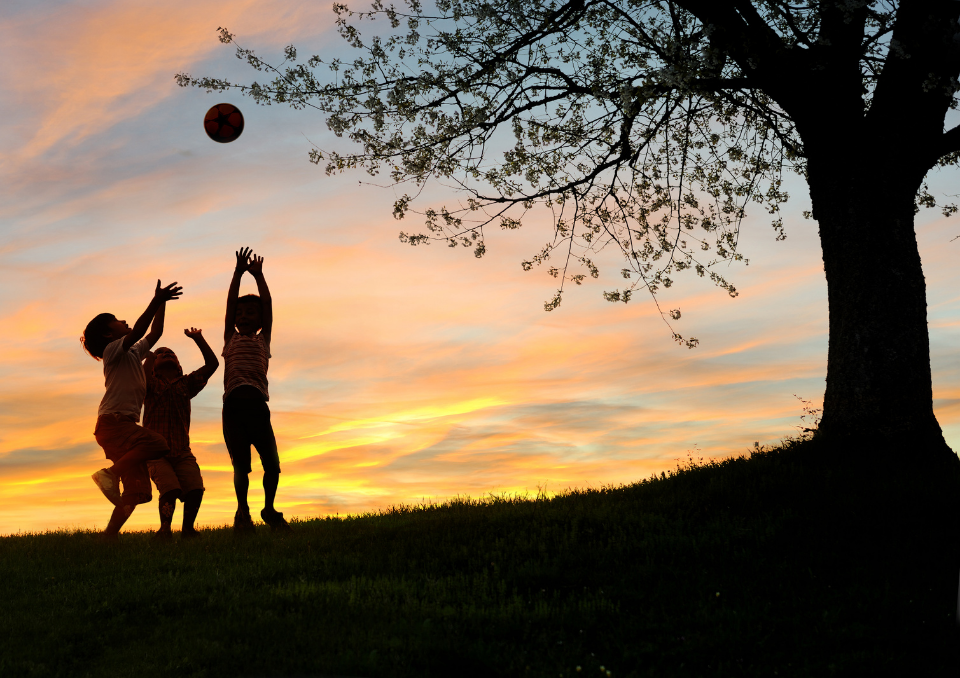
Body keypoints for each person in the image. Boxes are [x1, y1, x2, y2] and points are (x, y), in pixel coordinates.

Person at [81, 280, 182, 540]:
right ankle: (108, 475)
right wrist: (155, 300)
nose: (123, 321)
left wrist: (162, 304)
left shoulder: (134, 353)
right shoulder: (112, 350)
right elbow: (139, 329)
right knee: (159, 444)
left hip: (119, 427)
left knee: (137, 492)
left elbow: (155, 332)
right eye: (116, 320)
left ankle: (108, 538)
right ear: (107, 334)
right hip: (114, 424)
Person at [222, 247, 290, 533]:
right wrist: (238, 273)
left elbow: (268, 303)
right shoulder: (230, 339)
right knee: (241, 466)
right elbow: (228, 305)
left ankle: (269, 508)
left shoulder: (264, 341)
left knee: (272, 464)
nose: (244, 316)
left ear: (261, 320)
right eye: (241, 313)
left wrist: (259, 276)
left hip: (258, 408)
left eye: (251, 312)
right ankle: (242, 511)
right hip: (234, 409)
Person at [142, 327, 219, 541]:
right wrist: (148, 355)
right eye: (160, 354)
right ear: (153, 367)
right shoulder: (149, 384)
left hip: (182, 451)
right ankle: (164, 529)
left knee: (195, 487)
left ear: (179, 366)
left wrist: (199, 338)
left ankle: (188, 529)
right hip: (155, 451)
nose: (166, 354)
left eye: (171, 353)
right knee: (170, 488)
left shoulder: (187, 383)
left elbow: (212, 364)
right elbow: (141, 375)